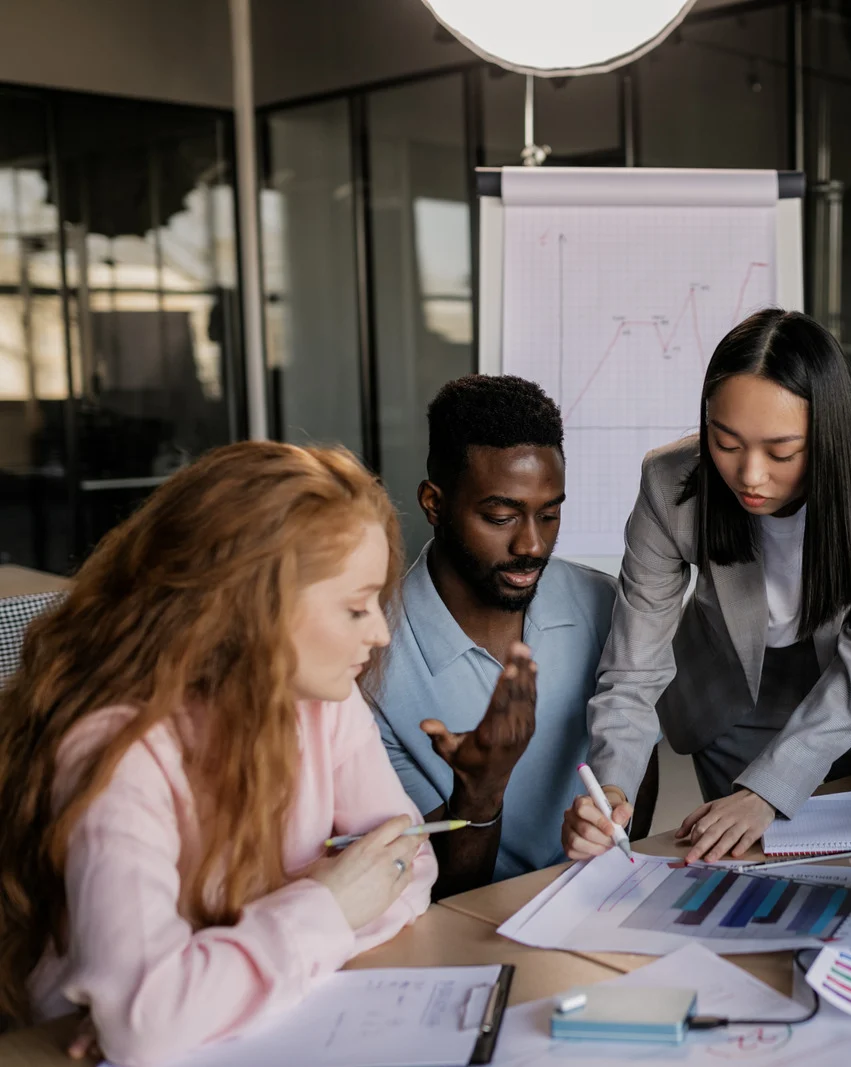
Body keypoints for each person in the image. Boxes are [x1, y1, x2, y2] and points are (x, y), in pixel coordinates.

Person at [0, 442, 437, 1065]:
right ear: (250, 609)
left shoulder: (323, 702)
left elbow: (410, 864)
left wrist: (211, 978)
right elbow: (146, 1025)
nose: (381, 632)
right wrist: (330, 904)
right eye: (354, 607)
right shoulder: (118, 749)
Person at [563, 308, 851, 864]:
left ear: (828, 434)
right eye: (726, 443)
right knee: (748, 867)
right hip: (733, 693)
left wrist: (771, 788)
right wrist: (612, 787)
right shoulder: (669, 481)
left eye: (782, 452)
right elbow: (633, 664)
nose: (750, 475)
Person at [371, 375, 617, 892]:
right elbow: (440, 887)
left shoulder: (605, 604)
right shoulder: (371, 657)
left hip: (596, 900)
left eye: (549, 515)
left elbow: (634, 761)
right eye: (501, 517)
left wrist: (613, 837)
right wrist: (481, 791)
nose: (531, 544)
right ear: (434, 504)